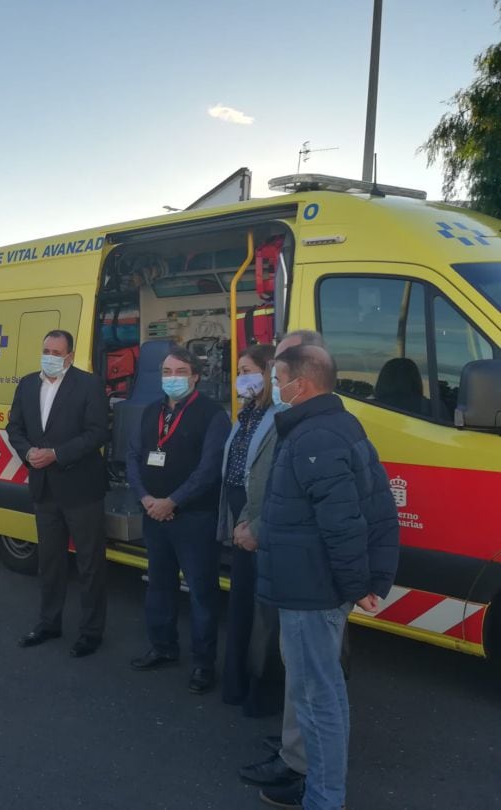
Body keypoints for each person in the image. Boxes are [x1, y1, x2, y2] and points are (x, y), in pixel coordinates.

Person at [255, 344, 399, 810]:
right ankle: (311, 780)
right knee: (317, 692)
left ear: (303, 383)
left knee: (319, 700)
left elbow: (346, 523)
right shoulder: (337, 424)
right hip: (312, 585)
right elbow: (376, 508)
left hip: (311, 591)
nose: (274, 388)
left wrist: (361, 585)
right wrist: (367, 579)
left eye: (278, 379)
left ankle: (323, 798)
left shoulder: (315, 436)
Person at [236, 330, 331, 794]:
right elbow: (256, 477)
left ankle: (305, 772)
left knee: (315, 681)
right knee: (297, 669)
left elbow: (309, 506)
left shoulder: (318, 429)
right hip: (283, 556)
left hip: (302, 570)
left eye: (281, 366)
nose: (275, 372)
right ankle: (296, 747)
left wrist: (258, 528)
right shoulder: (290, 416)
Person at [127, 346, 231, 693]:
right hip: (153, 515)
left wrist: (172, 500)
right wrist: (145, 498)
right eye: (167, 372)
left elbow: (210, 468)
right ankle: (163, 647)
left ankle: (203, 664)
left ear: (196, 375)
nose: (172, 378)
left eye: (180, 372)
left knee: (202, 594)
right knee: (159, 586)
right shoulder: (150, 412)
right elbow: (134, 456)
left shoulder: (212, 414)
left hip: (194, 518)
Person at [6, 329, 109, 658]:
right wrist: (29, 452)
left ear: (69, 356)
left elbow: (97, 433)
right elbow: (15, 427)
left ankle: (91, 632)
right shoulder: (27, 384)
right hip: (44, 487)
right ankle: (49, 623)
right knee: (50, 562)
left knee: (90, 563)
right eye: (45, 349)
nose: (49, 355)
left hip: (81, 488)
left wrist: (57, 454)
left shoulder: (89, 385)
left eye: (56, 351)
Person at [219, 343, 282, 716]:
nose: (242, 378)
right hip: (237, 511)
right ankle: (237, 682)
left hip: (256, 516)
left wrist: (250, 520)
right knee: (241, 603)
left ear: (268, 371)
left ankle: (260, 691)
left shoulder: (279, 416)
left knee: (262, 611)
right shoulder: (246, 414)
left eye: (247, 370)